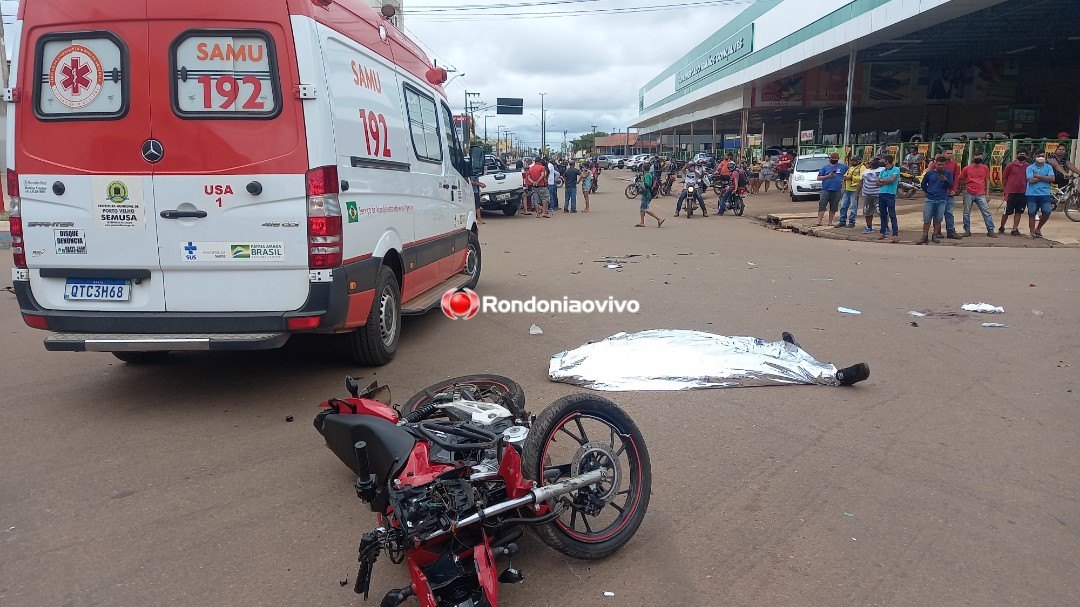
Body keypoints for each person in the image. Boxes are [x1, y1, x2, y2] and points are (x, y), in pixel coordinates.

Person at [917, 156, 954, 244]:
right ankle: (924, 236)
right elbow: (923, 184)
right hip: (930, 199)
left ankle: (935, 235)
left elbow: (950, 185)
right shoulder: (929, 173)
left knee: (938, 219)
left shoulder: (948, 173)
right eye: (939, 164)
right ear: (935, 164)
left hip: (942, 199)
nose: (941, 166)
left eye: (943, 164)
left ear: (945, 164)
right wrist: (928, 192)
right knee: (927, 218)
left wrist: (945, 180)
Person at [958, 154, 995, 237]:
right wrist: (965, 184)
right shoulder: (966, 169)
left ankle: (990, 229)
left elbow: (987, 180)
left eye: (980, 158)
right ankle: (967, 230)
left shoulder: (985, 168)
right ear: (972, 158)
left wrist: (987, 193)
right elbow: (960, 180)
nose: (978, 159)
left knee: (986, 212)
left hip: (980, 192)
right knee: (967, 212)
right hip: (969, 192)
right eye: (977, 157)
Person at [1026, 153, 1056, 238]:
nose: (1041, 158)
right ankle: (1032, 232)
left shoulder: (1048, 167)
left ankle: (1038, 228)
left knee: (1047, 212)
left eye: (1043, 156)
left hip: (1045, 193)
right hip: (1032, 193)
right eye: (1039, 156)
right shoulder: (1030, 168)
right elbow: (1031, 180)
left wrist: (1038, 176)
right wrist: (1045, 178)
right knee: (1032, 213)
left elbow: (1052, 179)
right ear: (1034, 157)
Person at [999, 152, 1029, 235]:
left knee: (1019, 211)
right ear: (1016, 155)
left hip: (1023, 192)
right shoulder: (1010, 165)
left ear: (1026, 156)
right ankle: (1002, 227)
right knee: (1006, 212)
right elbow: (1004, 178)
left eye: (1023, 155)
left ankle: (1015, 229)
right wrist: (1005, 190)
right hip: (1011, 192)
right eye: (1020, 154)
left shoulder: (1028, 166)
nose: (1022, 156)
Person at [815, 152, 847, 226]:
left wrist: (844, 179)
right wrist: (828, 176)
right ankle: (819, 221)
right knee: (822, 204)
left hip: (837, 189)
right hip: (825, 189)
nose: (834, 159)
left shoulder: (843, 167)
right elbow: (818, 178)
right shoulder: (825, 167)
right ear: (830, 159)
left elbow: (850, 172)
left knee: (834, 206)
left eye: (836, 158)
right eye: (833, 158)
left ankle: (830, 222)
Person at [876, 155, 901, 241]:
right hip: (882, 193)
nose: (882, 161)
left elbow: (892, 180)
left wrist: (882, 181)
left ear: (887, 161)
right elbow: (877, 183)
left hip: (890, 194)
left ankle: (895, 234)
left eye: (883, 160)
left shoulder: (896, 169)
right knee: (883, 214)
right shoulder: (883, 171)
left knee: (892, 214)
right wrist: (886, 181)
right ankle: (882, 232)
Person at [940, 149, 962, 239]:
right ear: (943, 153)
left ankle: (950, 231)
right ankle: (937, 232)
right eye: (948, 153)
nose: (949, 155)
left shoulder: (954, 164)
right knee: (938, 213)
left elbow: (956, 177)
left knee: (949, 212)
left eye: (951, 153)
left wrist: (954, 189)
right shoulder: (936, 164)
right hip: (939, 192)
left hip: (950, 192)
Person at [857, 158, 882, 234]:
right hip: (867, 195)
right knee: (867, 212)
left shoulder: (883, 170)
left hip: (879, 195)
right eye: (871, 162)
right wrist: (856, 193)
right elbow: (860, 182)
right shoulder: (865, 172)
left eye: (875, 161)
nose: (872, 163)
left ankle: (885, 227)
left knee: (881, 211)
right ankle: (869, 227)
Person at [838, 156, 863, 227]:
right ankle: (842, 221)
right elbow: (845, 176)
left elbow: (862, 178)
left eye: (853, 160)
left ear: (858, 161)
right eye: (851, 160)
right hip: (847, 189)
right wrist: (846, 178)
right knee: (843, 206)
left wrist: (851, 177)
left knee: (853, 207)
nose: (852, 161)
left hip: (855, 190)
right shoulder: (851, 168)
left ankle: (852, 222)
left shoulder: (861, 167)